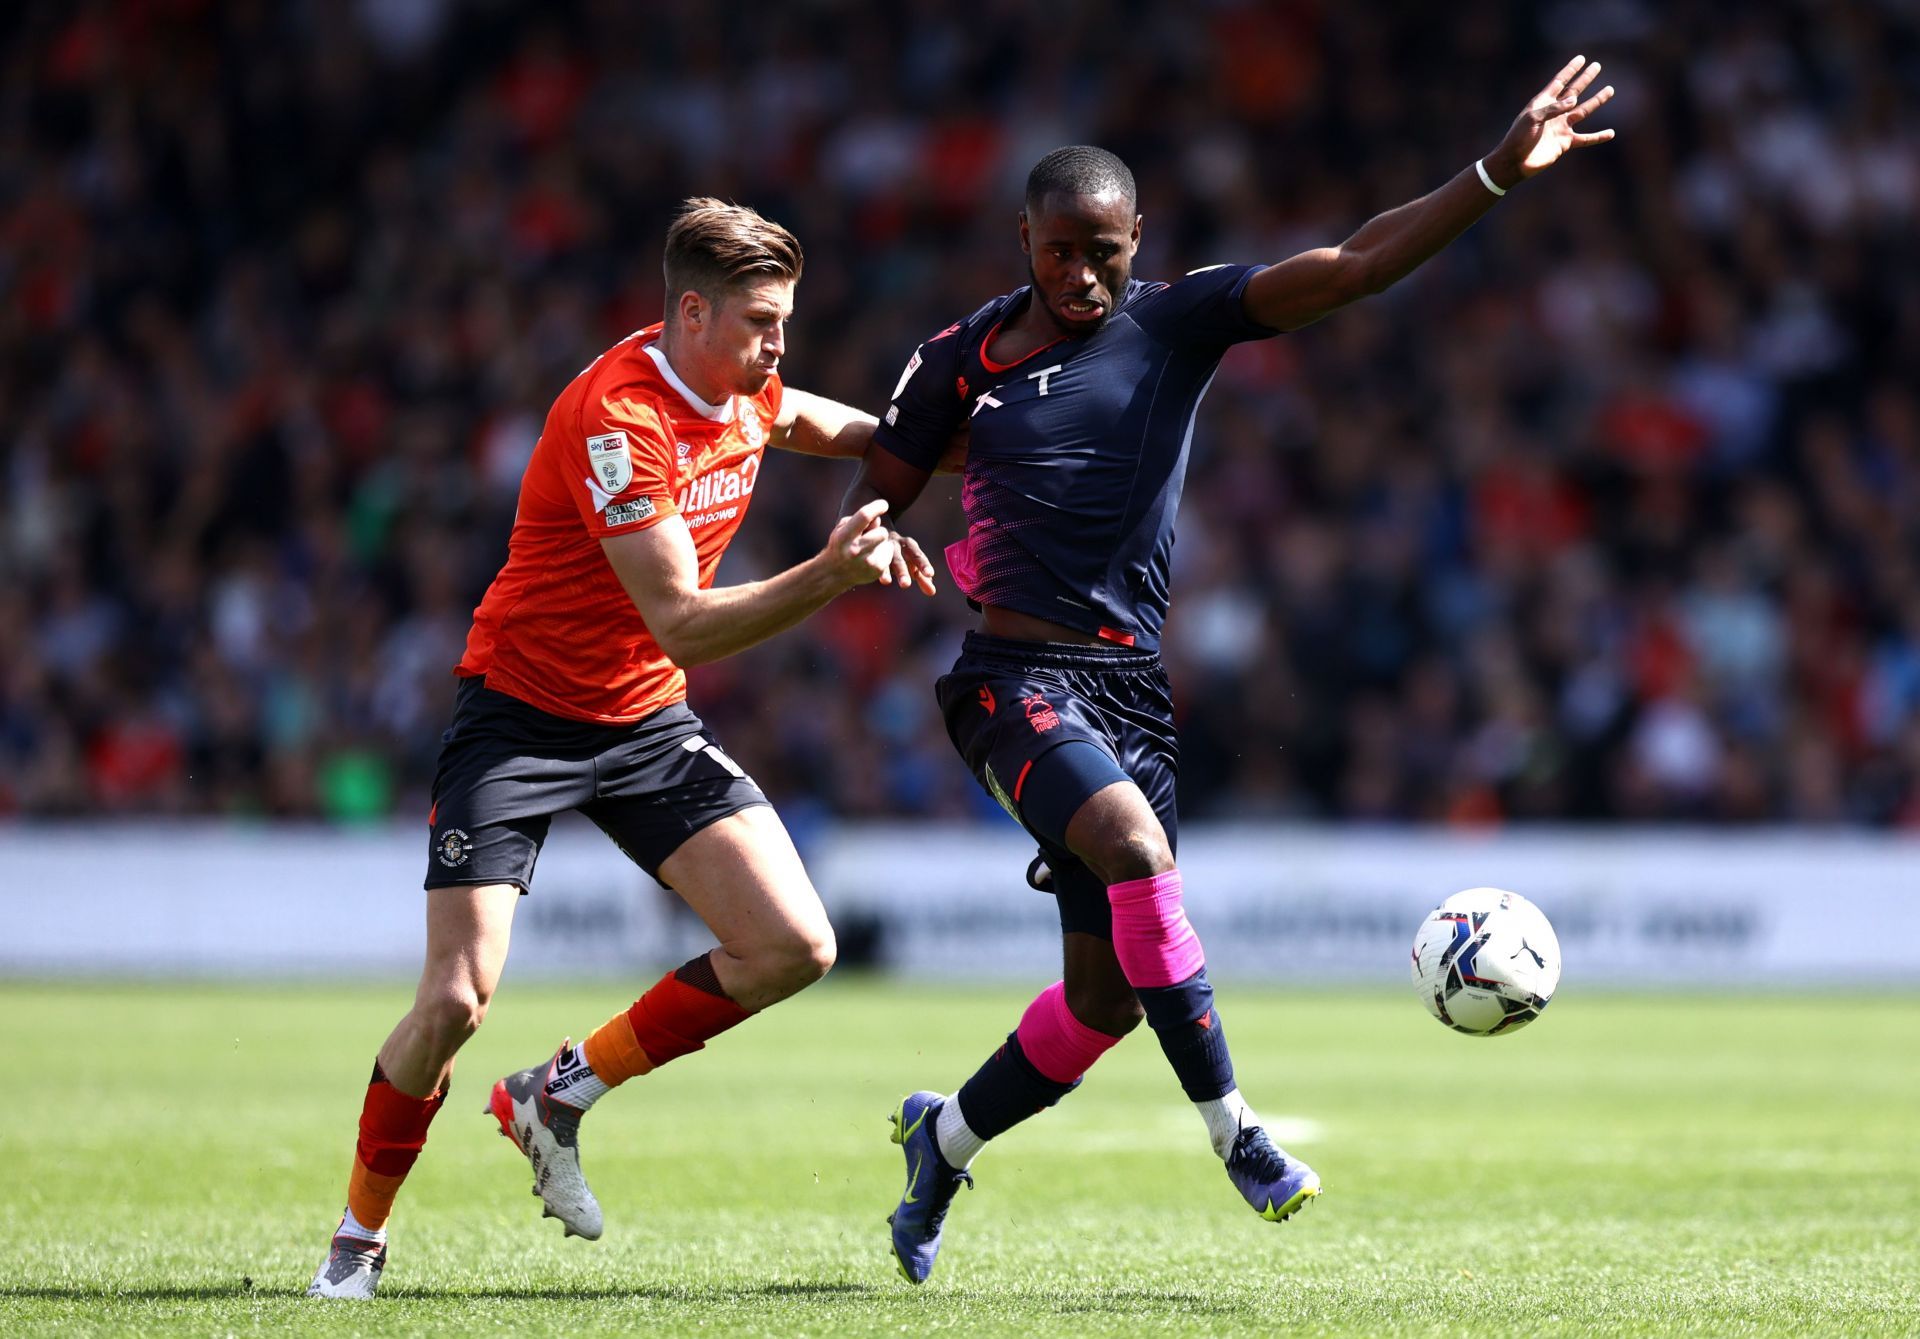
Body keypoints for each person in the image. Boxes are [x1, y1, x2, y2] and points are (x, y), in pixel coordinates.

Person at [845, 58, 1616, 1283]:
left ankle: (942, 1142)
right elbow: (874, 492)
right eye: (1060, 252)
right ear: (1025, 240)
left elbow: (1355, 265)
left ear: (1137, 237)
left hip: (1131, 692)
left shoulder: (1173, 320)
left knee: (1097, 1006)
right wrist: (872, 538)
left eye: (1105, 250)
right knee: (1137, 853)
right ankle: (1238, 1131)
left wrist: (1489, 175)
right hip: (1006, 680)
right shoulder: (956, 360)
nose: (1084, 275)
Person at [308, 197, 938, 1299]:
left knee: (795, 944)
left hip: (643, 719)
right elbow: (684, 622)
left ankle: (557, 1092)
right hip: (521, 713)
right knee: (455, 999)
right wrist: (836, 570)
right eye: (760, 321)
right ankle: (357, 1238)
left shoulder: (740, 386)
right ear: (691, 313)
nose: (778, 344)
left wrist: (966, 445)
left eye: (785, 319)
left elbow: (818, 425)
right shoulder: (618, 420)